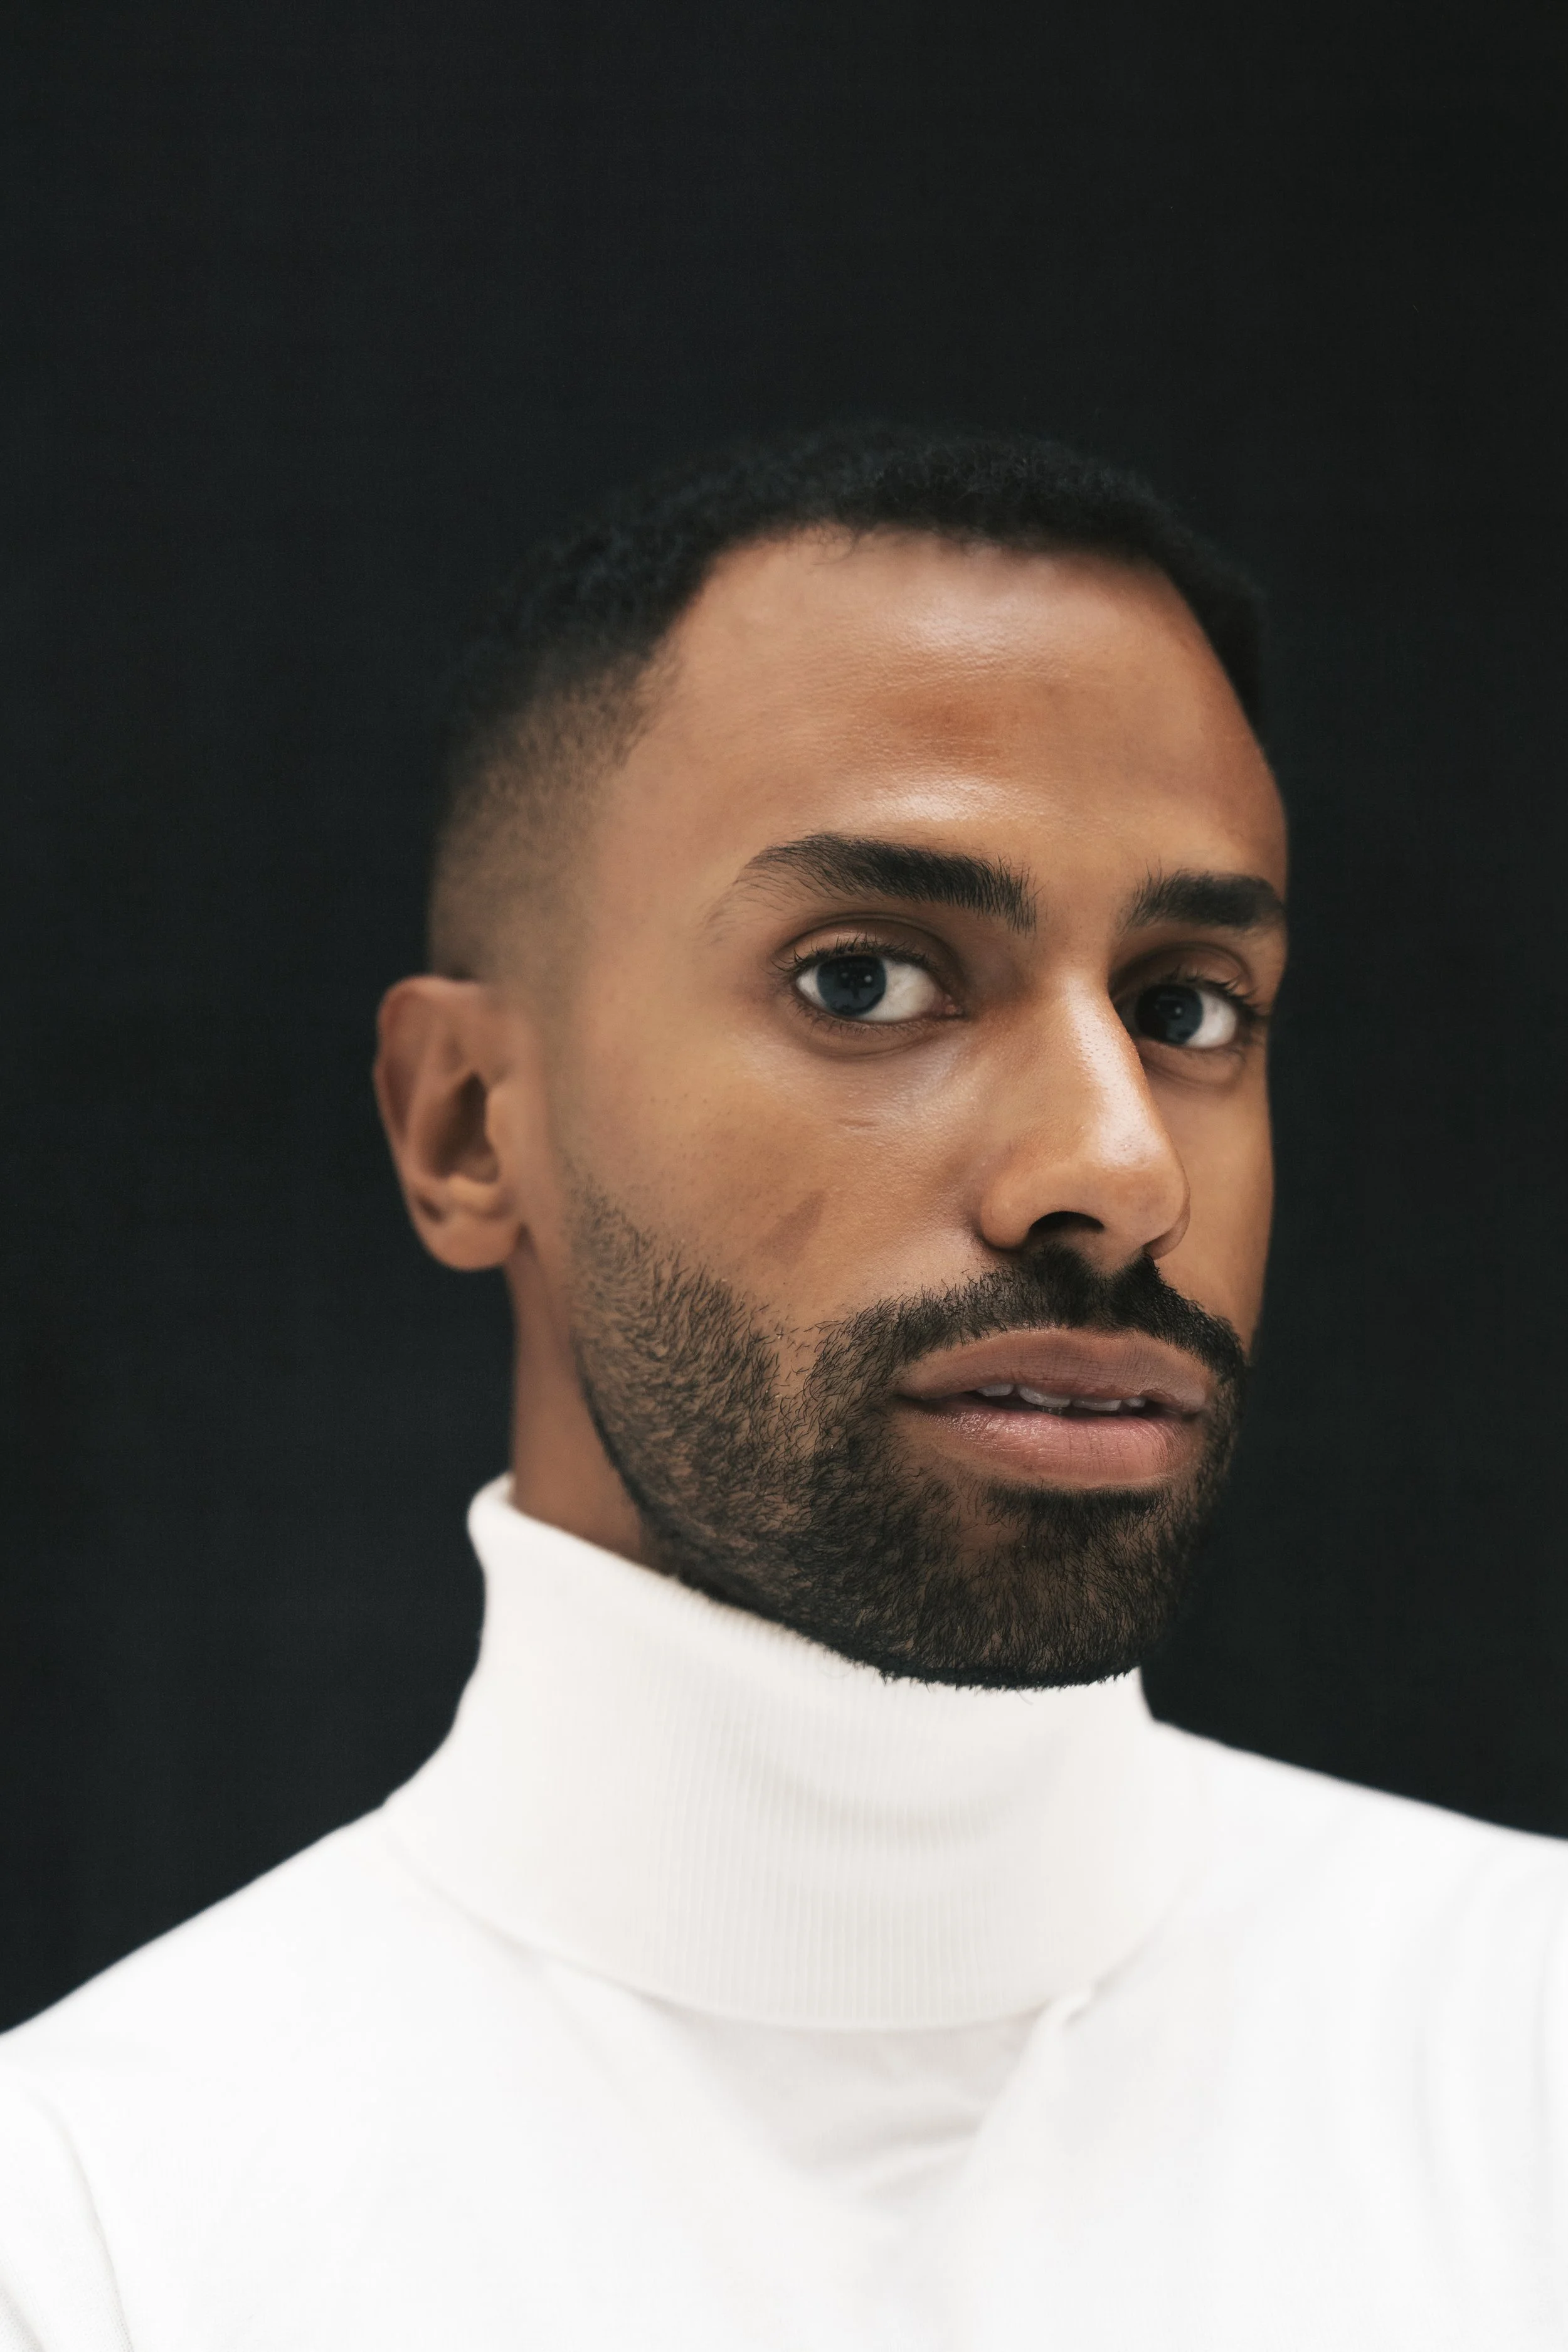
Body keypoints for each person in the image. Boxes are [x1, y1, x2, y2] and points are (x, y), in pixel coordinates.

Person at [1, 426, 1562, 2352]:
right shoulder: (98, 2233)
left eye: (1185, 1008)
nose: (1116, 1163)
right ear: (469, 1124)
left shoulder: (1528, 2059)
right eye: (863, 982)